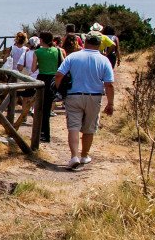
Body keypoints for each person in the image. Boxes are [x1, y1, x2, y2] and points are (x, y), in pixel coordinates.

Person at [54, 32, 115, 170]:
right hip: (94, 97)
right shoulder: (104, 60)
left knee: (73, 127)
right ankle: (84, 155)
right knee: (89, 128)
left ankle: (74, 156)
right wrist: (110, 103)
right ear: (99, 44)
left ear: (85, 41)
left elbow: (59, 75)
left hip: (74, 95)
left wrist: (60, 92)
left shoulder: (73, 56)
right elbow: (109, 84)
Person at [31, 31, 63, 142]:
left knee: (39, 107)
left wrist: (41, 63)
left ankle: (41, 133)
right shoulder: (57, 50)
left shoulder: (38, 52)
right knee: (47, 108)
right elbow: (62, 65)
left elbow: (33, 69)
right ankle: (46, 134)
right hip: (53, 80)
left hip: (42, 79)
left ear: (42, 40)